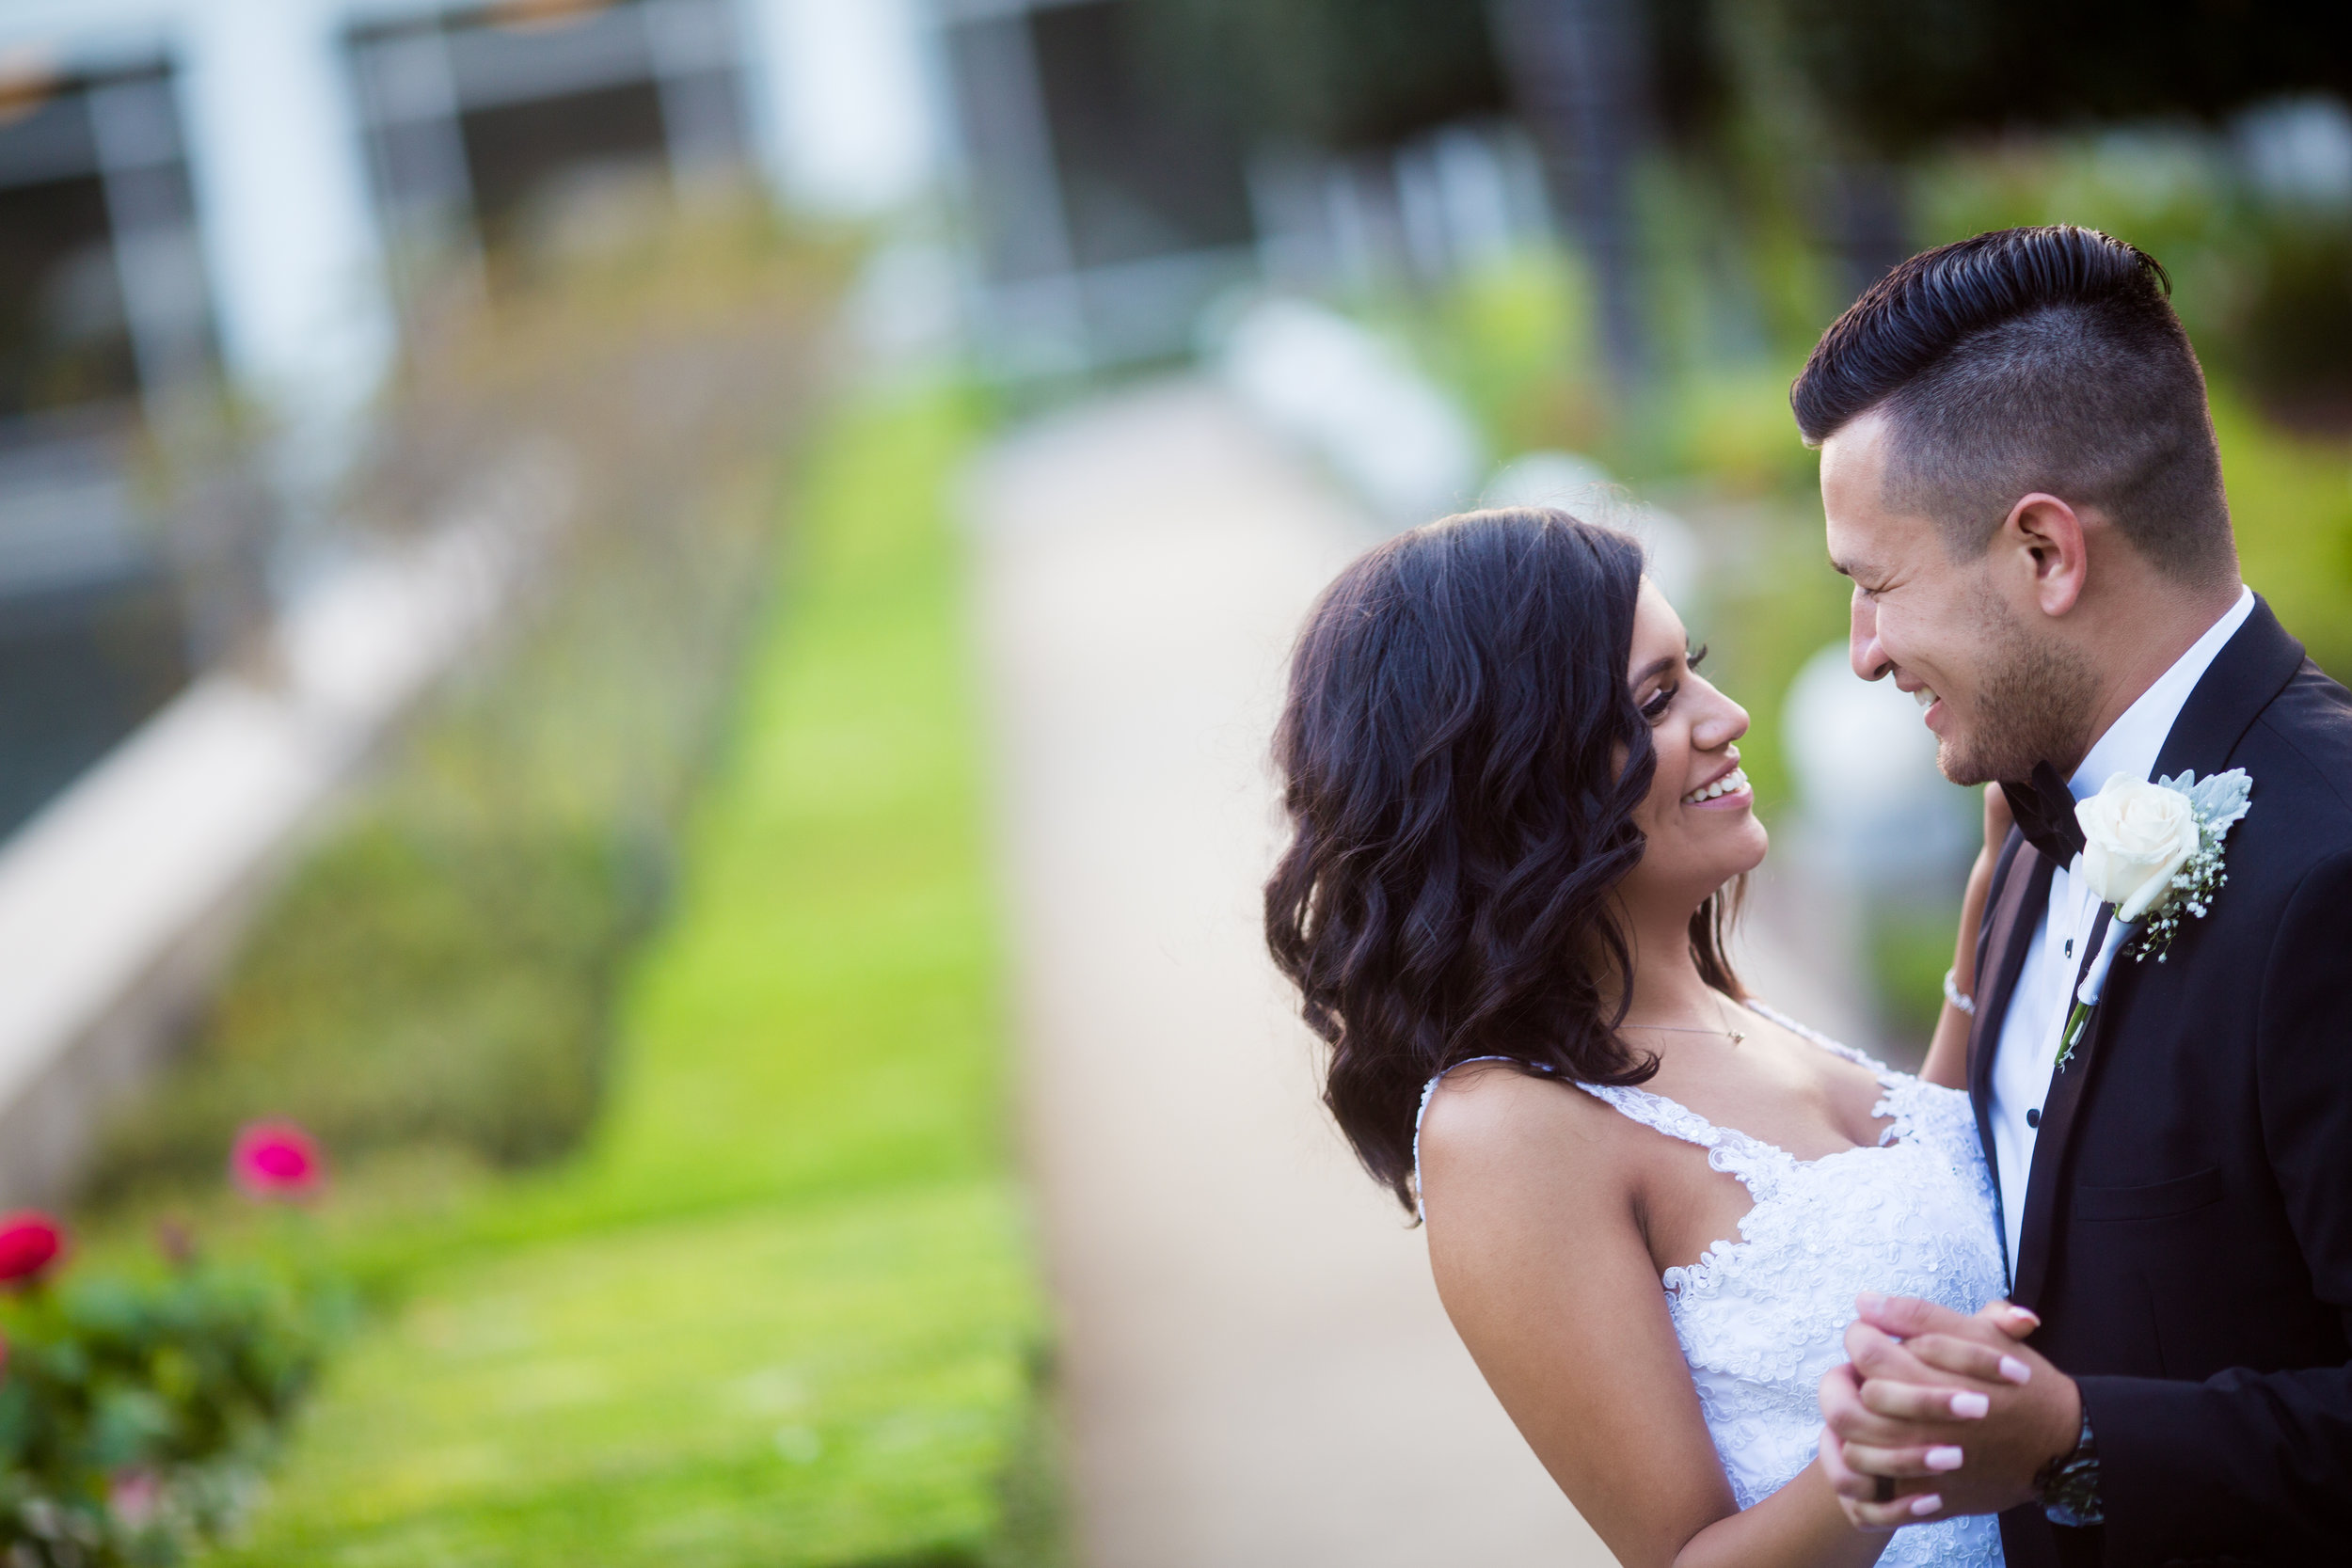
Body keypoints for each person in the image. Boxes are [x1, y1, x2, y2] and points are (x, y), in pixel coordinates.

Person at [1263, 508, 2020, 1566]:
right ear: (1513, 772)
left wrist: (1987, 928)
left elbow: (1920, 1193)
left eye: (1693, 669)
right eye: (1658, 699)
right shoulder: (1505, 1128)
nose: (1729, 716)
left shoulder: (1711, 998)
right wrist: (1882, 1458)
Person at [1795, 226, 2352, 1565]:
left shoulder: (2333, 873)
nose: (1864, 655)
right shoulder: (2032, 820)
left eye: (1875, 586)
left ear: (2045, 550)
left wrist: (2072, 1438)